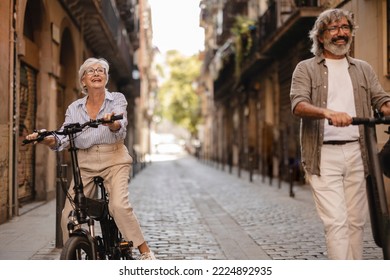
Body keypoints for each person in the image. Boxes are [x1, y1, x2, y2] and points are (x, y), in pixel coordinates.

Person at [26, 57, 156, 260]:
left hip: (114, 159)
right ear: (83, 81)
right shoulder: (74, 108)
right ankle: (74, 253)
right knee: (67, 215)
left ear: (105, 77)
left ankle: (145, 252)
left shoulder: (117, 99)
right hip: (85, 162)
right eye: (91, 71)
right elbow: (62, 137)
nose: (96, 73)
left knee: (118, 206)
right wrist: (45, 138)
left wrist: (111, 123)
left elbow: (119, 128)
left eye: (101, 70)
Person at [290, 8, 390, 259]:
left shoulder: (363, 68)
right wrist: (327, 113)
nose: (340, 33)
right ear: (321, 36)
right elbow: (298, 104)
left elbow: (381, 100)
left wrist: (387, 107)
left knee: (356, 223)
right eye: (333, 29)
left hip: (359, 152)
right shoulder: (305, 69)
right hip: (323, 155)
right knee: (336, 222)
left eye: (345, 28)